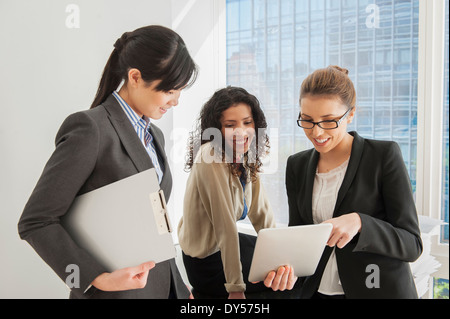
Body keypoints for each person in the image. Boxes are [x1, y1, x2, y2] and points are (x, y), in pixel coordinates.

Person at [17, 25, 198, 299]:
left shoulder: (155, 135)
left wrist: (179, 285)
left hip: (165, 288)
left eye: (180, 91)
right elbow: (36, 221)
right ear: (135, 76)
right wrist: (94, 278)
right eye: (170, 91)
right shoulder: (91, 128)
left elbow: (154, 224)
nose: (176, 101)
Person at [286, 65, 423, 299]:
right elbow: (299, 236)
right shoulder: (296, 165)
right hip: (316, 292)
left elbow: (412, 244)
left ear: (350, 114)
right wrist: (285, 268)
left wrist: (360, 222)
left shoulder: (383, 156)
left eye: (329, 121)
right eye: (307, 120)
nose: (316, 132)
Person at [178, 86, 297, 299]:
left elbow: (261, 212)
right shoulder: (210, 156)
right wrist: (235, 288)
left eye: (247, 122)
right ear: (217, 129)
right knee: (280, 289)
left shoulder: (245, 154)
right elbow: (225, 227)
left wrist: (281, 257)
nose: (241, 132)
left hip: (226, 243)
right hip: (206, 260)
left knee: (289, 272)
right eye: (230, 125)